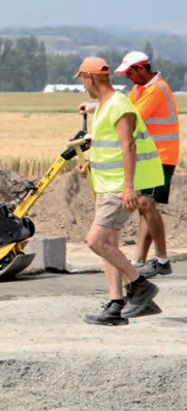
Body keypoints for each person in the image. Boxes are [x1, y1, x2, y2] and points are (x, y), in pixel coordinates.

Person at [74, 57, 164, 326]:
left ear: (89, 78)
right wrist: (90, 164)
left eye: (81, 79)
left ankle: (140, 284)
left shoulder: (119, 105)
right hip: (106, 183)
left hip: (118, 187)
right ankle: (115, 306)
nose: (82, 84)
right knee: (109, 246)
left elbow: (129, 146)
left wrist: (128, 188)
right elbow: (110, 146)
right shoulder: (105, 106)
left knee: (96, 241)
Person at [115, 51, 180, 278]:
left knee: (144, 203)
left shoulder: (156, 90)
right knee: (146, 207)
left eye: (129, 72)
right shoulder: (139, 89)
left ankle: (162, 259)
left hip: (162, 156)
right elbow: (124, 107)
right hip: (150, 157)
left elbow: (132, 116)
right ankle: (139, 260)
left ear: (142, 68)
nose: (127, 78)